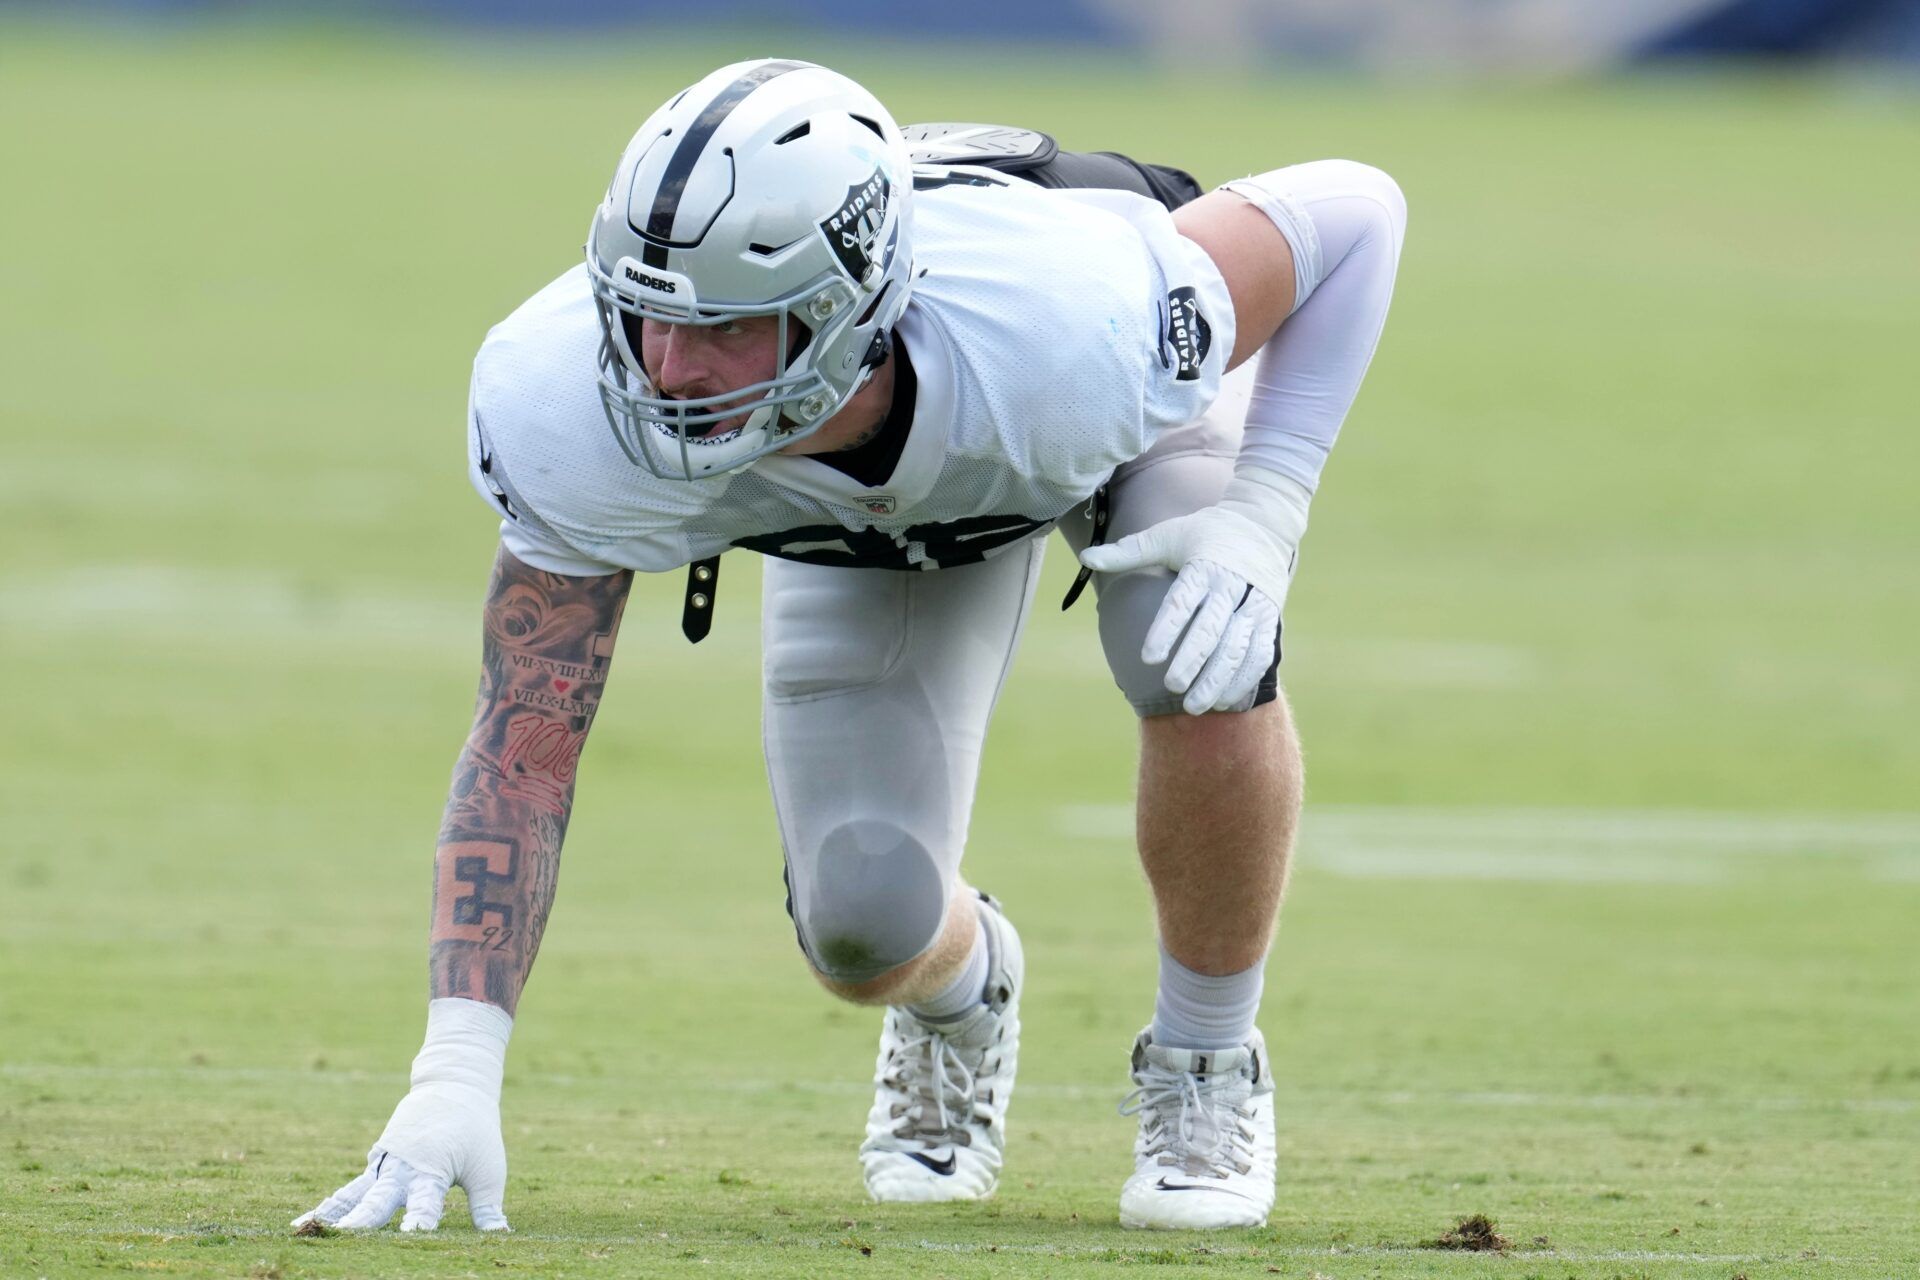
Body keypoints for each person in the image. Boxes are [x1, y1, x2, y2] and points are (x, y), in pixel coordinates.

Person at [293, 59, 1405, 1235]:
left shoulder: (1075, 316)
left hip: (1064, 420)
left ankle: (1208, 1062)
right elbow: (521, 748)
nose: (668, 369)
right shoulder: (564, 397)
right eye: (647, 312)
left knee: (1197, 642)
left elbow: (1356, 210)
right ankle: (965, 999)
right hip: (846, 505)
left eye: (721, 328)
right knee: (861, 924)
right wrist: (453, 1069)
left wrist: (1269, 505)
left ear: (843, 307)